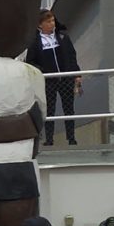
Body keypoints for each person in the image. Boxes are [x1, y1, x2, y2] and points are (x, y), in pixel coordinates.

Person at [26, 9, 82, 146]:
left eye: (52, 20)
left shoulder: (62, 36)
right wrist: (43, 71)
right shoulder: (35, 42)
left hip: (65, 78)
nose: (52, 24)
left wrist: (77, 74)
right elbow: (30, 62)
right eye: (48, 21)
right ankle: (49, 139)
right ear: (40, 25)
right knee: (49, 109)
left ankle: (71, 138)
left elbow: (71, 56)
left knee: (69, 108)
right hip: (49, 81)